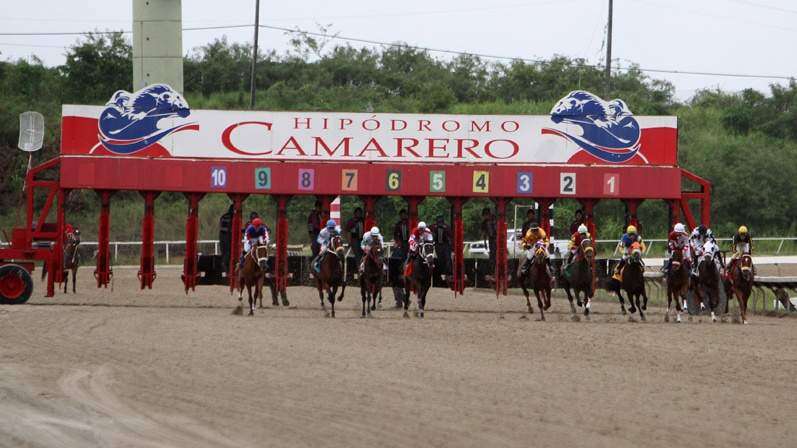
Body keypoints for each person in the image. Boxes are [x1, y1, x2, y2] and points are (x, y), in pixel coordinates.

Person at [480, 208, 497, 273]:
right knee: (492, 255)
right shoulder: (484, 222)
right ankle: (492, 270)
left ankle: (495, 269)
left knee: (498, 254)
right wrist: (485, 243)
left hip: (498, 238)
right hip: (491, 239)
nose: (485, 217)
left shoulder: (495, 218)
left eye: (485, 215)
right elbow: (484, 233)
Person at [218, 204, 234, 272]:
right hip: (227, 235)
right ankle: (224, 264)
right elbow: (231, 229)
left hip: (221, 235)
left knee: (223, 251)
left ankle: (224, 264)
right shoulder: (232, 217)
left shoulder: (223, 216)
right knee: (228, 251)